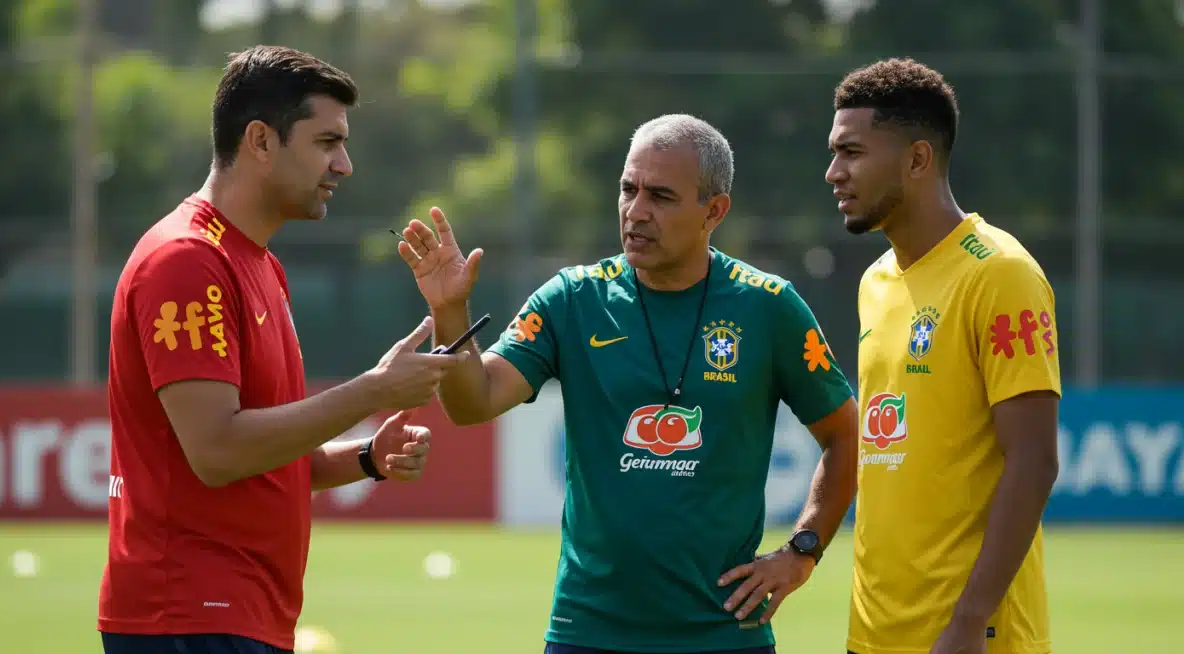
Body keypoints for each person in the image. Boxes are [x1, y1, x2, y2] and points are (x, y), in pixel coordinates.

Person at [396, 114, 860, 653]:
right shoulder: (572, 299)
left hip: (726, 636)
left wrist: (801, 552)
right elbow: (472, 402)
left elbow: (845, 435)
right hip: (588, 633)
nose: (636, 212)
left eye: (661, 196)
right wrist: (450, 311)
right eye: (628, 189)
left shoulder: (769, 307)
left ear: (714, 211)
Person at [98, 45, 469, 654]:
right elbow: (217, 451)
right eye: (326, 142)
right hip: (189, 618)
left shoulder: (259, 264)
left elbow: (263, 451)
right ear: (261, 142)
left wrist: (366, 458)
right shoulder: (187, 262)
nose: (344, 165)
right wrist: (375, 389)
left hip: (237, 617)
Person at [826, 58, 1061, 654]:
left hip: (969, 639)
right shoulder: (874, 281)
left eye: (852, 153)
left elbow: (1033, 461)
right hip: (874, 636)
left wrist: (969, 621)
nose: (833, 173)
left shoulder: (1000, 274)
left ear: (918, 159)